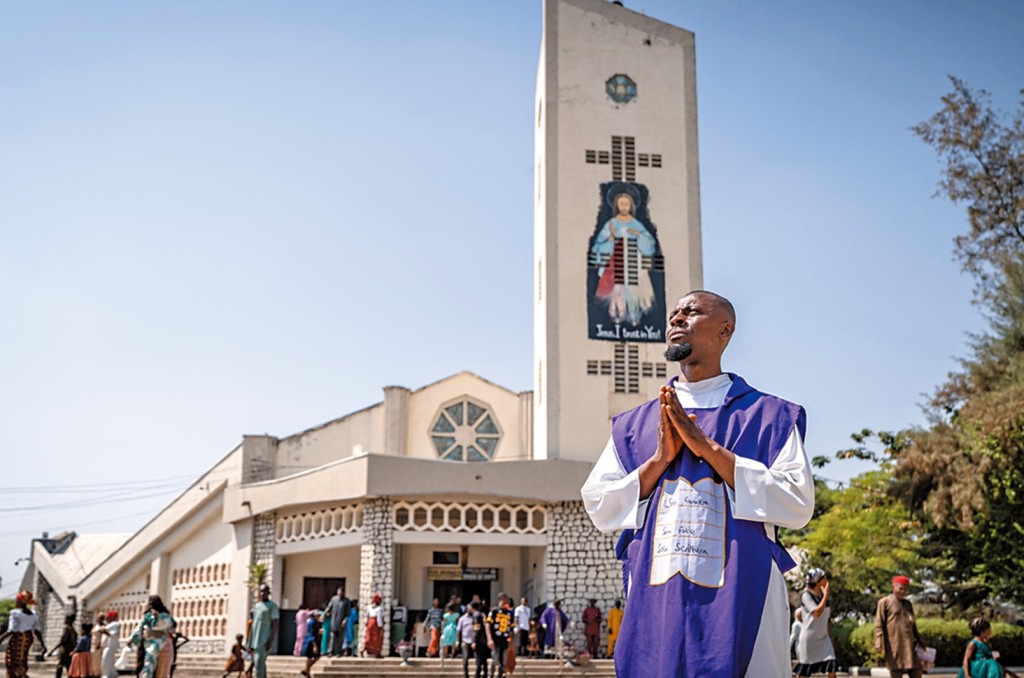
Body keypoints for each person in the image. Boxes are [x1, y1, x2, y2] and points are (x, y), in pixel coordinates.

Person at [581, 290, 816, 677]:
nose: (676, 319)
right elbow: (599, 504)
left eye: (691, 312)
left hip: (745, 593)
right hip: (656, 597)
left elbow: (796, 503)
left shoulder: (769, 416)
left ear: (726, 330)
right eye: (674, 313)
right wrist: (658, 461)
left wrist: (706, 447)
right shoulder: (634, 424)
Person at [591, 190, 658, 326]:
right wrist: (611, 239)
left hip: (633, 263)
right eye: (621, 204)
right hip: (616, 264)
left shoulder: (636, 224)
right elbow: (598, 245)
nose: (624, 207)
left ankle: (635, 317)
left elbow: (649, 243)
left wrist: (638, 236)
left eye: (626, 204)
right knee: (617, 292)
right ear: (617, 206)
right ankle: (617, 316)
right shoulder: (612, 224)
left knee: (635, 294)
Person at [875, 575, 926, 678]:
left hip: (910, 644)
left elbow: (913, 625)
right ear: (893, 587)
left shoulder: (908, 604)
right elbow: (879, 623)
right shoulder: (884, 602)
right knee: (896, 671)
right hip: (894, 645)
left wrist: (920, 641)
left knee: (917, 671)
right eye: (901, 588)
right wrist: (878, 639)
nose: (903, 591)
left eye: (906, 589)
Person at [794, 568, 836, 678]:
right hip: (809, 639)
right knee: (805, 672)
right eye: (824, 578)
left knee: (831, 666)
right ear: (818, 581)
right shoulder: (806, 596)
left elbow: (825, 619)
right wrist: (826, 595)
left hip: (823, 638)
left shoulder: (823, 597)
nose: (827, 581)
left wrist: (829, 637)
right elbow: (817, 612)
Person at [0, 590, 47, 678]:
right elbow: (36, 631)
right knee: (22, 659)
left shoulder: (15, 613)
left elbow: (12, 630)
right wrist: (43, 644)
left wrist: (1, 639)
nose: (16, 602)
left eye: (17, 600)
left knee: (12, 661)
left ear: (22, 602)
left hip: (17, 638)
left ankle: (16, 675)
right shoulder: (33, 615)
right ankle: (21, 673)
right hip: (28, 638)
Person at [128, 595, 176, 678]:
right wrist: (132, 639)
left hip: (159, 645)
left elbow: (165, 625)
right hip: (153, 645)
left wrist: (158, 618)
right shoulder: (148, 616)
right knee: (151, 668)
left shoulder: (163, 616)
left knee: (157, 669)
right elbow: (139, 628)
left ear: (150, 604)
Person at [247, 584, 279, 678]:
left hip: (264, 639)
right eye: (260, 591)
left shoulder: (272, 606)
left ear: (268, 593)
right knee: (258, 663)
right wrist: (250, 641)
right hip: (254, 639)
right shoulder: (257, 606)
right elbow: (253, 624)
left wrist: (270, 640)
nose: (262, 593)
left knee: (259, 662)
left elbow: (275, 624)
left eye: (264, 591)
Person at [486, 594, 514, 678]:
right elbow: (487, 625)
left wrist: (511, 640)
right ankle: (491, 675)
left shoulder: (509, 613)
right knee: (495, 660)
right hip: (496, 639)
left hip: (505, 640)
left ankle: (500, 676)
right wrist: (490, 639)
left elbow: (511, 628)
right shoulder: (494, 611)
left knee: (503, 661)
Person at [325, 587, 351, 657]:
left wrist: (345, 620)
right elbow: (329, 607)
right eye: (338, 592)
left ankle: (338, 652)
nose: (339, 593)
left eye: (341, 592)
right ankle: (330, 651)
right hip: (334, 621)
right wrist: (324, 614)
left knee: (340, 638)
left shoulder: (346, 601)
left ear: (343, 592)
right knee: (332, 636)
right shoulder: (334, 599)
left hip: (341, 622)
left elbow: (348, 613)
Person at [50, 613, 77, 678]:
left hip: (65, 651)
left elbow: (62, 641)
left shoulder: (67, 629)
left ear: (70, 620)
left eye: (66, 619)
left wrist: (52, 650)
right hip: (70, 650)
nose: (65, 620)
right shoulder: (73, 629)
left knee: (60, 666)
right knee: (68, 666)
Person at [300, 610, 322, 677]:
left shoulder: (316, 622)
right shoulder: (311, 623)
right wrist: (314, 646)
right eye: (317, 615)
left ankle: (306, 670)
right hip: (311, 642)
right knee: (312, 656)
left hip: (316, 641)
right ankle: (307, 672)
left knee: (315, 657)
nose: (319, 616)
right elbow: (311, 635)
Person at [101, 610, 122, 678]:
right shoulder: (111, 624)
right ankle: (112, 673)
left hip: (111, 643)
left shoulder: (116, 624)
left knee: (106, 657)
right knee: (109, 658)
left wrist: (105, 632)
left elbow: (114, 633)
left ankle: (106, 674)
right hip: (109, 643)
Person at [362, 594, 384, 658]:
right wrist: (381, 627)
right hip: (375, 623)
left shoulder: (369, 607)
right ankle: (377, 653)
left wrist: (366, 623)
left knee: (368, 637)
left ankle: (363, 649)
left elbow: (366, 615)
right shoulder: (379, 609)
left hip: (369, 623)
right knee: (377, 638)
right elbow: (379, 619)